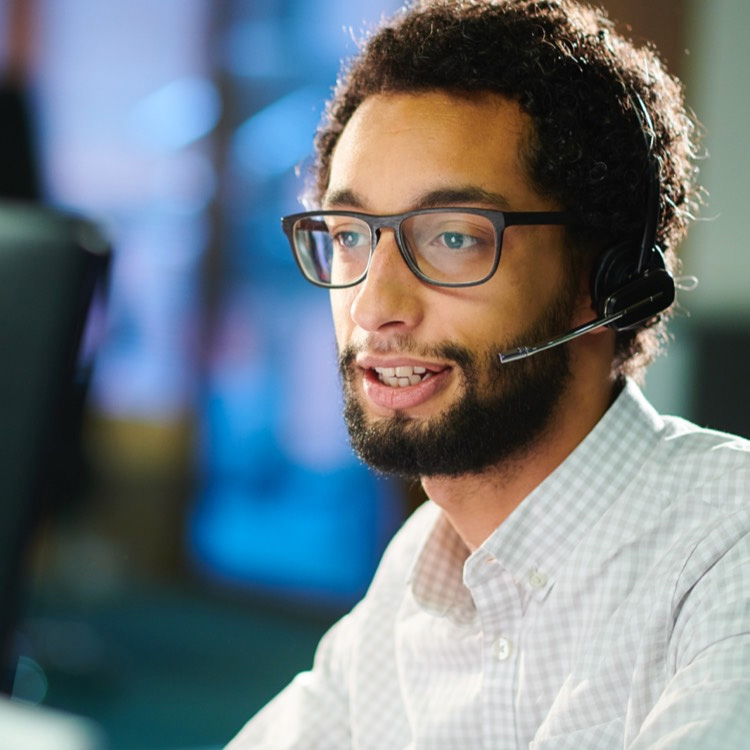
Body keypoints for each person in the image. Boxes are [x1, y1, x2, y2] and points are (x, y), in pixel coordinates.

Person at [228, 1, 750, 747]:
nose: (375, 307)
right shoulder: (422, 566)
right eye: (349, 235)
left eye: (452, 238)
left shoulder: (727, 547)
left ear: (604, 280)